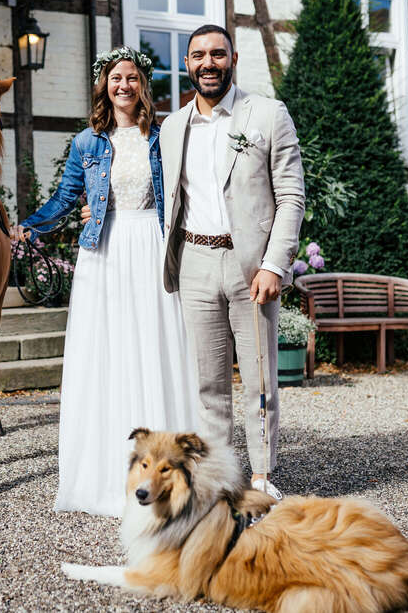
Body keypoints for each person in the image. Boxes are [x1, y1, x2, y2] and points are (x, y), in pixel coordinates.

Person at [86, 26, 305, 497]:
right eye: (198, 55)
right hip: (193, 261)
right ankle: (220, 476)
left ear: (233, 58)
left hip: (250, 268)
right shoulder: (172, 126)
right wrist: (94, 203)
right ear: (187, 63)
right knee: (208, 385)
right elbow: (142, 181)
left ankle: (264, 476)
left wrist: (274, 264)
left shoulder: (267, 114)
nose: (209, 63)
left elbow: (292, 198)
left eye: (217, 54)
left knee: (259, 379)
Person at [12, 47, 201, 517]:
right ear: (104, 85)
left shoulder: (164, 136)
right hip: (106, 251)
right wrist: (27, 227)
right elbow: (65, 197)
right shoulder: (86, 142)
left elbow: (188, 189)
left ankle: (169, 469)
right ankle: (105, 474)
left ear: (143, 85)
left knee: (156, 345)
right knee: (109, 350)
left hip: (153, 246)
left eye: (132, 78)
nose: (123, 86)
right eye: (116, 78)